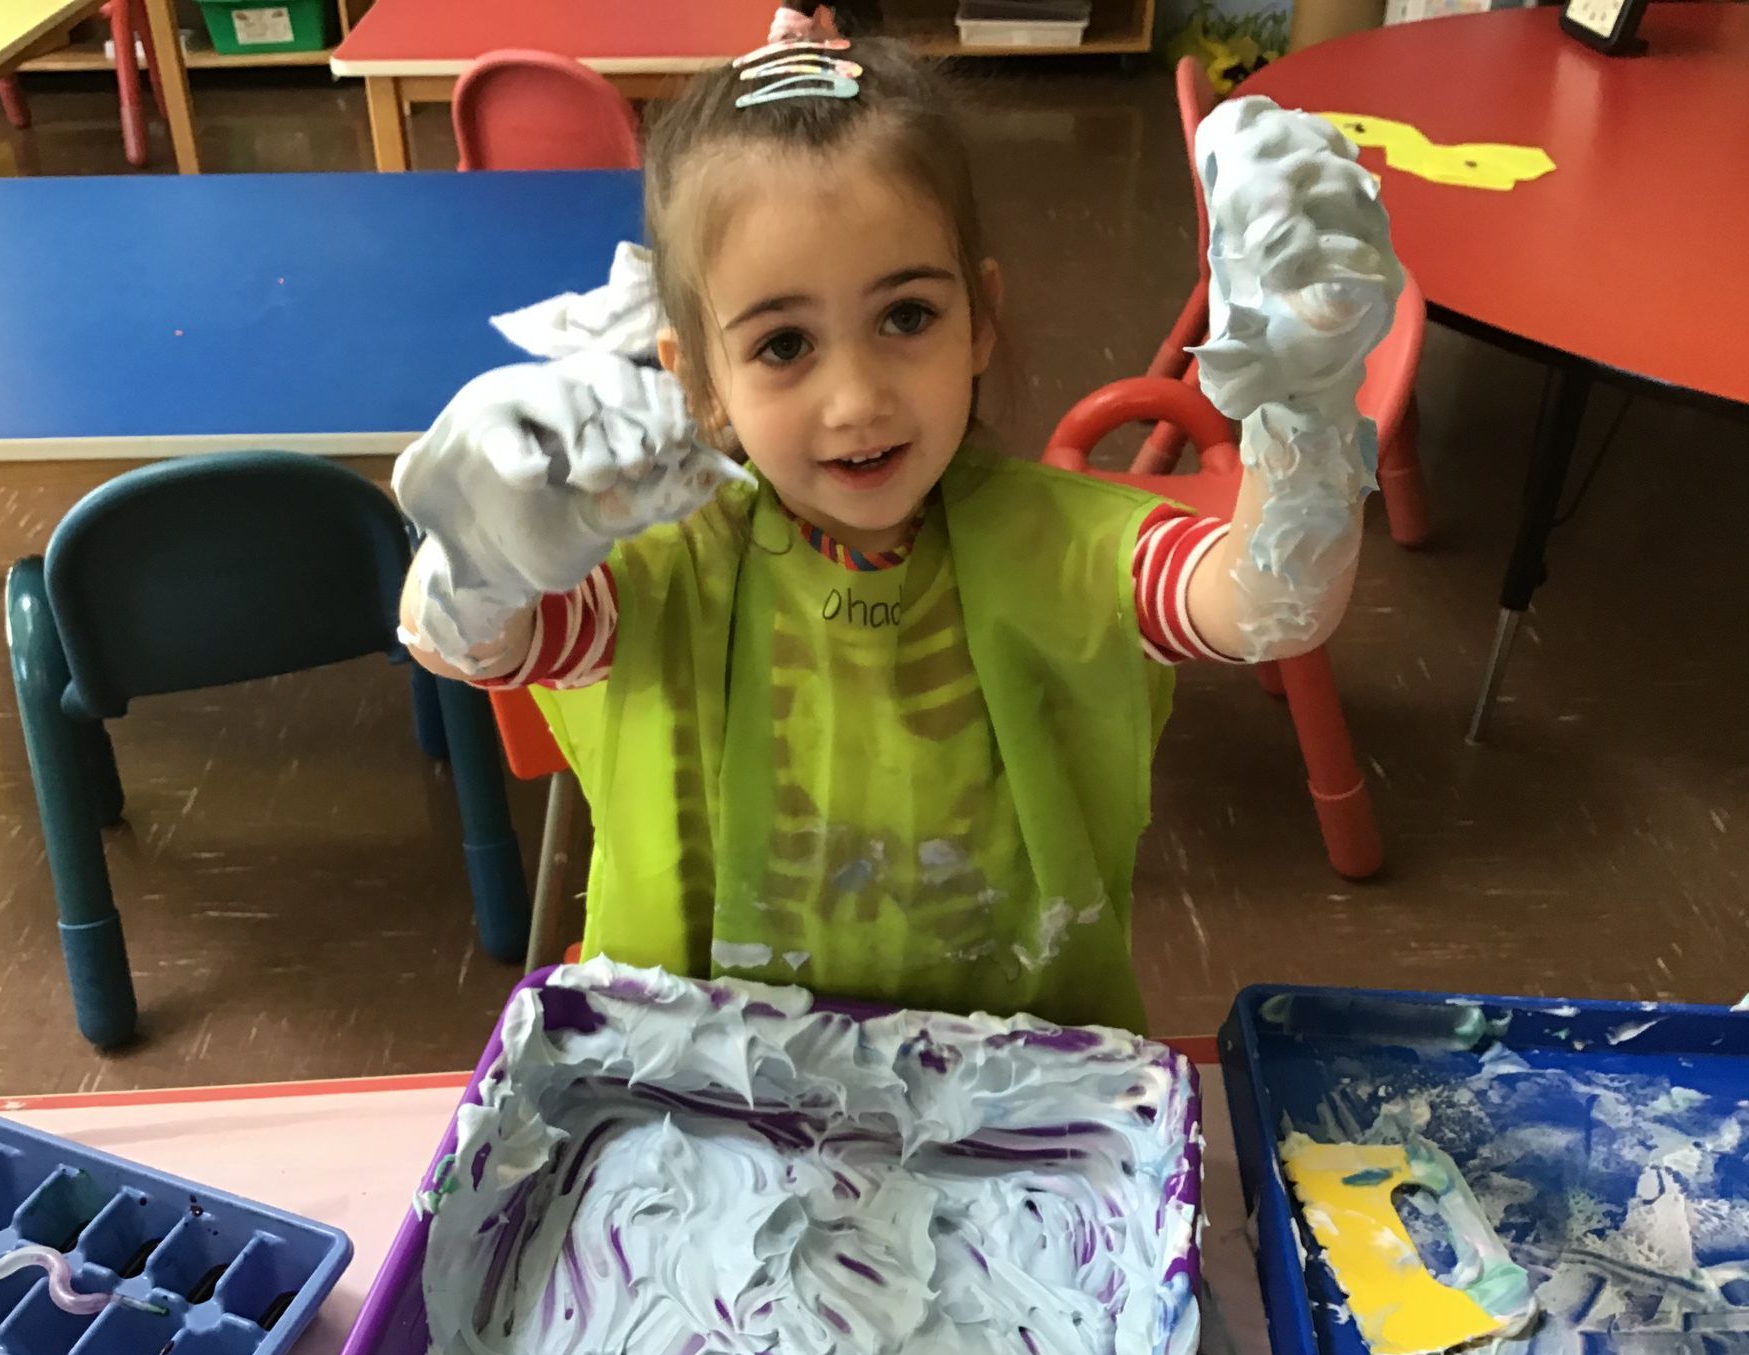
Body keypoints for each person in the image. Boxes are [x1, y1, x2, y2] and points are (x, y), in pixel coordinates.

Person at [395, 13, 1401, 1030]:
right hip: (698, 1089)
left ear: (981, 316)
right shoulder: (663, 574)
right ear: (697, 378)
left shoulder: (1066, 547)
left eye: (906, 317)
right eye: (785, 344)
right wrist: (486, 551)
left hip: (1016, 1095)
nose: (857, 397)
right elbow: (469, 645)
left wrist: (1306, 401)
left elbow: (1270, 607)